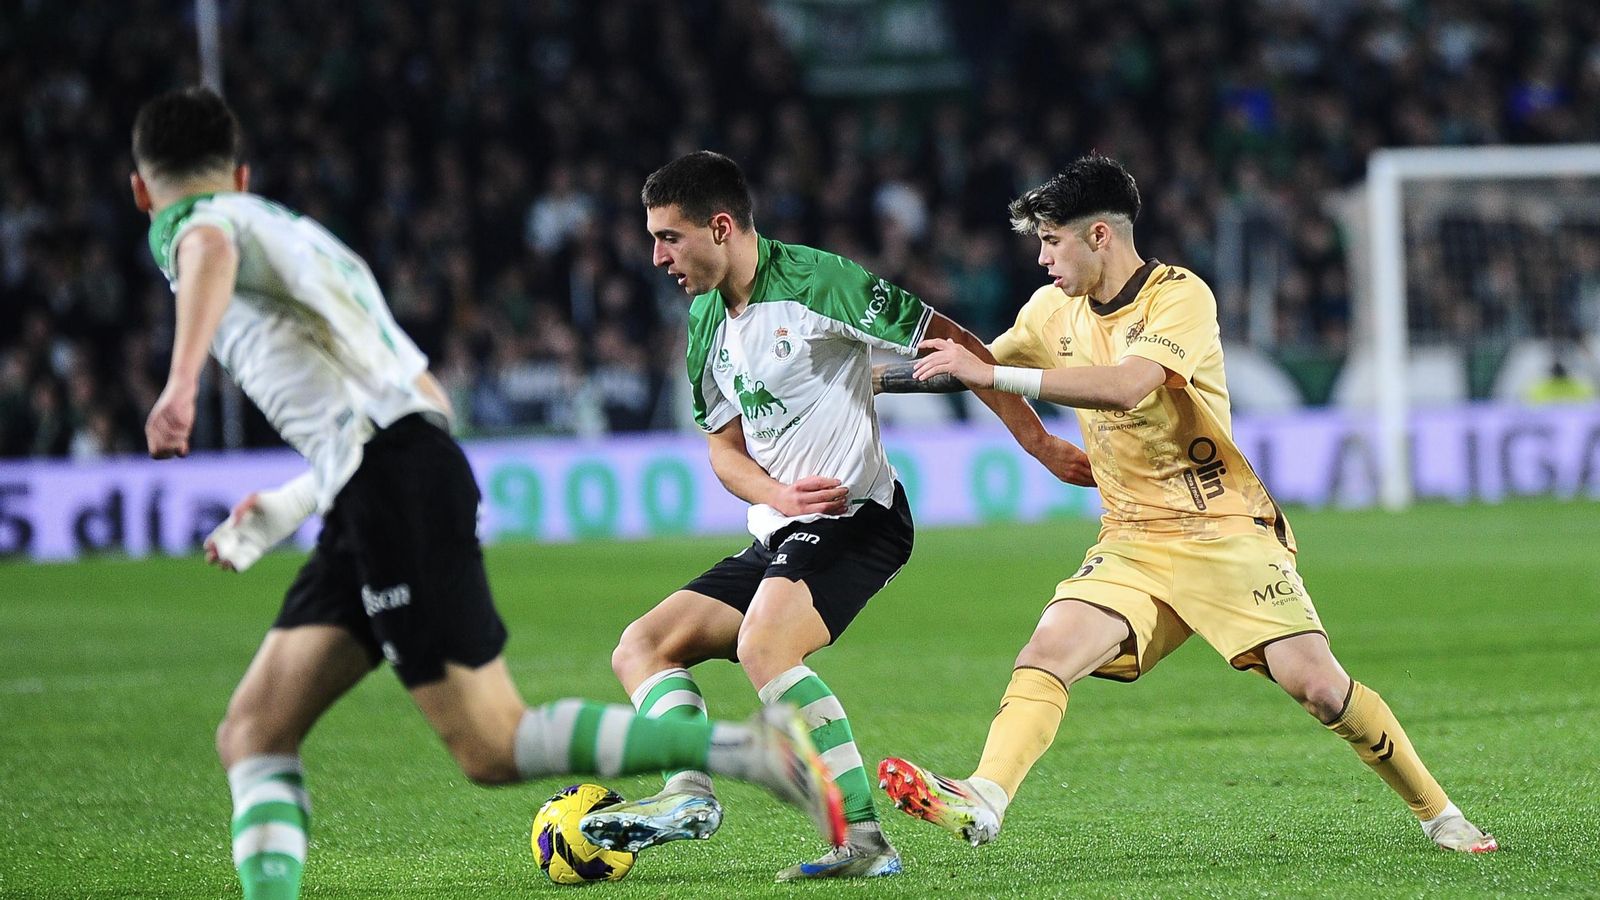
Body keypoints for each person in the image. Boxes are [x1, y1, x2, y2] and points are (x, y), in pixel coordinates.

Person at [129, 88, 846, 900]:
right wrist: (293, 503)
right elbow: (417, 402)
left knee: (491, 745)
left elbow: (208, 244)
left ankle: (745, 752)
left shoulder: (197, 227)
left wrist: (179, 385)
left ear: (142, 191)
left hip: (390, 488)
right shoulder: (303, 242)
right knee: (253, 732)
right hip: (387, 482)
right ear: (245, 172)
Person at [871, 154, 1497, 854]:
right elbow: (972, 368)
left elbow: (1130, 385)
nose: (1043, 259)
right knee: (1046, 651)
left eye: (1052, 241)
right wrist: (867, 383)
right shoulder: (1050, 311)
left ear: (1100, 236)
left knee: (1319, 688)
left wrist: (991, 371)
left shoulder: (1179, 297)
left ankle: (1441, 814)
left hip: (1224, 528)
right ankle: (984, 796)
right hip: (1133, 537)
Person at [579, 151, 1094, 881]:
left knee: (764, 646)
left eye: (670, 237)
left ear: (721, 228)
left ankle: (864, 842)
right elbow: (723, 452)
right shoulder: (701, 322)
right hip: (784, 527)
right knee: (642, 647)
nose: (657, 256)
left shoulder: (820, 282)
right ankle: (687, 796)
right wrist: (775, 496)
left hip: (860, 516)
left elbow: (954, 345)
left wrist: (1038, 440)